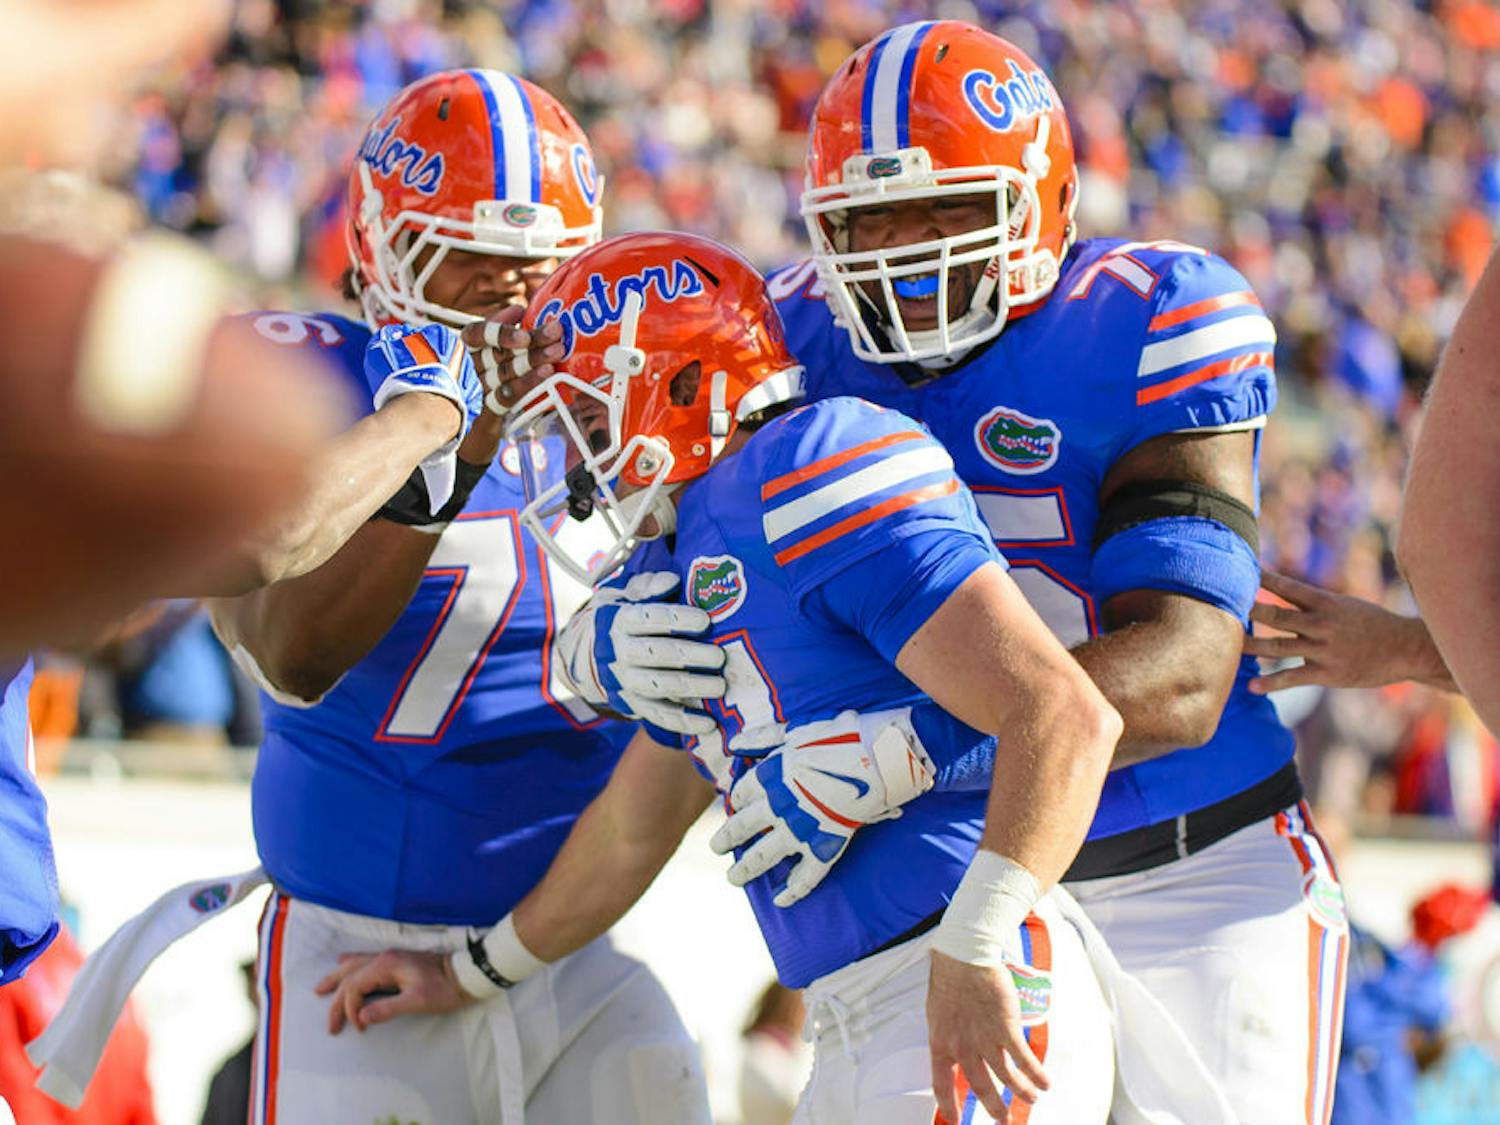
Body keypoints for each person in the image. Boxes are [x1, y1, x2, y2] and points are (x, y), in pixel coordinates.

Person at [320, 232, 1237, 1125]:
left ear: (681, 381)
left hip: (964, 969)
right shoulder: (678, 547)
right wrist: (474, 970)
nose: (573, 462)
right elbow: (635, 826)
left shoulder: (813, 463)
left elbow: (1061, 712)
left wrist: (975, 934)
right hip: (846, 1014)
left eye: (589, 420)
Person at [744, 21, 1344, 1122]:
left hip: (1194, 866)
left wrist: (915, 748)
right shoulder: (787, 344)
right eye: (873, 215)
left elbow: (1186, 672)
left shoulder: (1144, 321)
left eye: (954, 207)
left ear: (1044, 203)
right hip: (959, 881)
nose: (910, 251)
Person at [199, 71, 716, 1124]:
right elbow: (288, 653)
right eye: (475, 267)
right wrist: (441, 438)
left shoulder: (639, 414)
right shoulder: (306, 386)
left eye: (538, 271)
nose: (513, 304)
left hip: (567, 953)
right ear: (385, 256)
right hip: (359, 959)